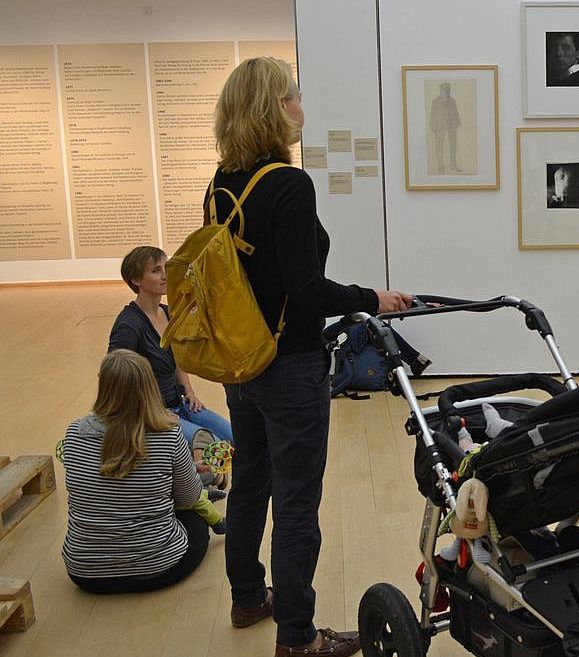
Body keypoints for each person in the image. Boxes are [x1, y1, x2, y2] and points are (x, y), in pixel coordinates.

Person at [210, 57, 411, 657]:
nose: (301, 106)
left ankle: (248, 597)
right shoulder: (288, 183)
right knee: (297, 500)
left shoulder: (224, 179)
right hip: (290, 362)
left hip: (242, 360)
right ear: (271, 107)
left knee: (249, 481)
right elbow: (306, 293)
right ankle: (297, 637)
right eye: (293, 96)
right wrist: (371, 298)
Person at [60, 349, 217, 594]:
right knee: (196, 520)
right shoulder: (167, 436)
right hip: (160, 567)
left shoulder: (74, 433)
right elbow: (189, 497)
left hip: (85, 573)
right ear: (148, 387)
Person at [110, 246, 235, 460]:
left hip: (178, 403)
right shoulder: (128, 325)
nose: (165, 275)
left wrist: (189, 391)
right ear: (136, 280)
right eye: (156, 270)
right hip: (150, 414)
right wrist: (149, 412)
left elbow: (177, 358)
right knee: (213, 447)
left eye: (166, 268)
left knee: (235, 438)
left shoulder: (168, 313)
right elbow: (114, 375)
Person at [429, 82, 460, 174]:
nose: (446, 91)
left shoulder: (452, 101)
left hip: (451, 126)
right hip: (440, 127)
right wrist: (433, 127)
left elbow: (456, 113)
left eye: (447, 89)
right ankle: (440, 165)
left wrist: (457, 123)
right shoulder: (435, 102)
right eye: (444, 89)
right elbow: (432, 116)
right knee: (439, 147)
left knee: (453, 146)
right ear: (440, 90)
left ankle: (453, 164)